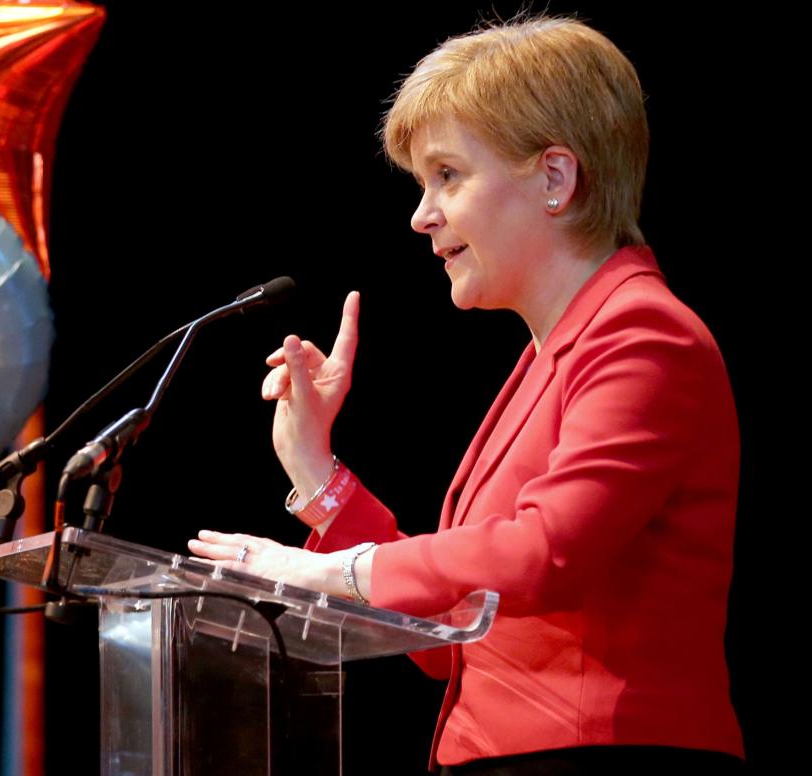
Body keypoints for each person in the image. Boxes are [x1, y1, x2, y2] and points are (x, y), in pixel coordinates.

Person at [187, 15, 745, 774]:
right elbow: (451, 636)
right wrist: (314, 470)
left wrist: (318, 573)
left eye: (448, 176)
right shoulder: (552, 355)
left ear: (555, 177)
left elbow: (544, 553)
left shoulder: (644, 335)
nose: (421, 215)